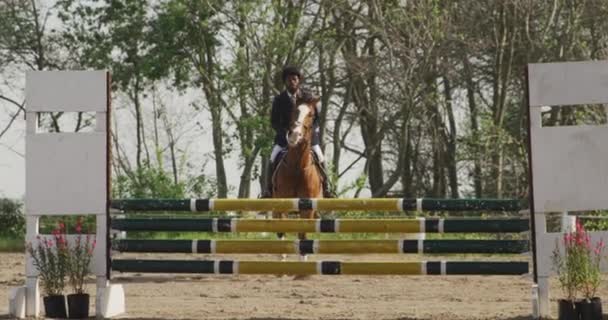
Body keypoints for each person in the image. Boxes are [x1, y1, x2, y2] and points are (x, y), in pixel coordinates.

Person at [262, 66, 335, 198]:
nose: (292, 82)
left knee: (319, 155)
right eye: (289, 80)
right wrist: (286, 133)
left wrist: (312, 131)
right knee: (272, 157)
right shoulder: (279, 100)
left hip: (307, 137)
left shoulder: (307, 98)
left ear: (298, 81)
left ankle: (326, 188)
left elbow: (316, 118)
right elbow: (274, 122)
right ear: (285, 82)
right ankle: (268, 190)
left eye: (295, 79)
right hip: (285, 138)